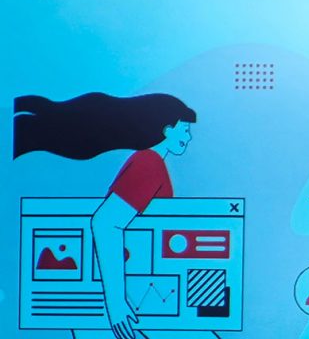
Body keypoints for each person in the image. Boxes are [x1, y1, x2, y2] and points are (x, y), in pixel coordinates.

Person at [15, 93, 211, 339]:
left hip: (139, 293)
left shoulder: (151, 162)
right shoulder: (148, 163)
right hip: (133, 300)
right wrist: (117, 305)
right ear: (167, 130)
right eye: (185, 130)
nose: (189, 137)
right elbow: (105, 223)